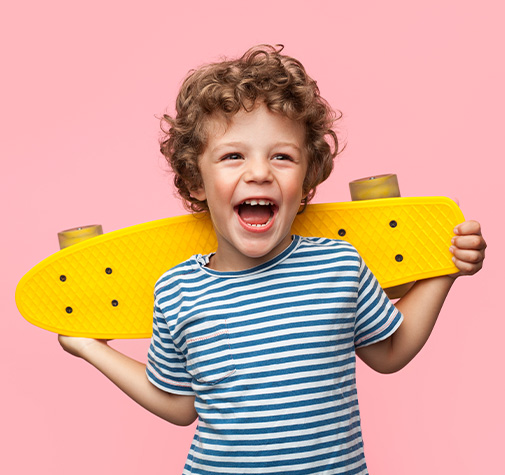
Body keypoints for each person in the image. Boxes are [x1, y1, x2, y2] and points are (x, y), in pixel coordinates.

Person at [59, 45, 486, 474]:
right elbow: (179, 404)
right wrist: (90, 348)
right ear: (196, 181)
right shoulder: (177, 289)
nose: (260, 172)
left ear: (307, 179)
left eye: (282, 156)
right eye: (232, 156)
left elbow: (390, 352)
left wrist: (446, 267)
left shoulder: (338, 265)